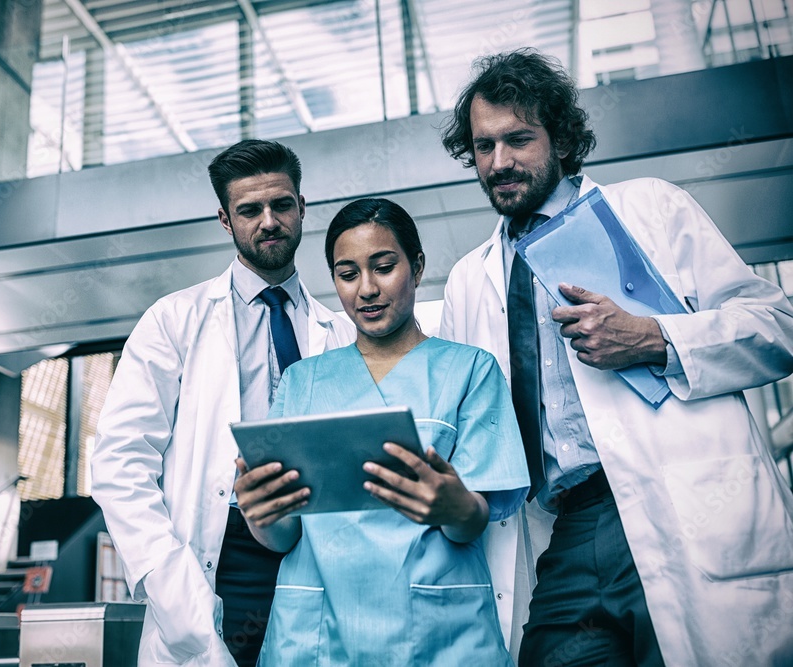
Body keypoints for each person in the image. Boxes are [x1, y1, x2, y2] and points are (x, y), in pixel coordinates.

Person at [438, 48, 793, 666]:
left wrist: (655, 338)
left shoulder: (651, 208)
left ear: (561, 136)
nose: (499, 163)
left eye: (518, 140)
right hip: (567, 530)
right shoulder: (472, 280)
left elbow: (778, 327)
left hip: (682, 507)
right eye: (483, 147)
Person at [90, 139, 355, 667]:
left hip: (321, 547)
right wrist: (172, 588)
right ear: (225, 220)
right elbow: (119, 462)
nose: (269, 221)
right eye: (249, 210)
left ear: (302, 208)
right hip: (221, 552)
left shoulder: (342, 331)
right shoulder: (173, 321)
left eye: (281, 205)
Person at [235, 197, 530, 665]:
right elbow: (282, 536)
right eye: (347, 274)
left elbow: (474, 520)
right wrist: (258, 513)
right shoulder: (302, 382)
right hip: (315, 635)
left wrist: (455, 507)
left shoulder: (470, 370)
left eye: (384, 267)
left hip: (437, 632)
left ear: (416, 267)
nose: (366, 289)